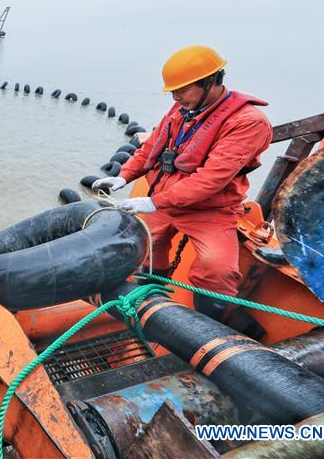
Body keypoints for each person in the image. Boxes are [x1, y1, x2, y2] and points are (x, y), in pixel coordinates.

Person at [93, 45, 272, 320]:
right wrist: (123, 175)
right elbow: (150, 148)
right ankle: (149, 302)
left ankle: (205, 326)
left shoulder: (248, 122)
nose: (176, 97)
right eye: (173, 91)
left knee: (218, 270)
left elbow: (211, 180)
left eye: (183, 89)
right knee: (146, 247)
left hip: (209, 209)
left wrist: (153, 202)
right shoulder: (180, 109)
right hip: (162, 200)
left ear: (211, 82)